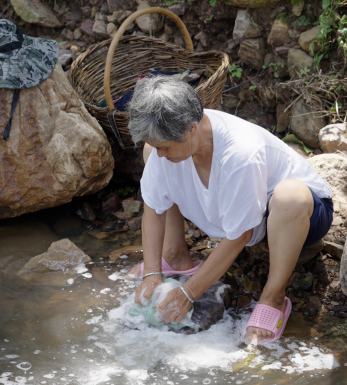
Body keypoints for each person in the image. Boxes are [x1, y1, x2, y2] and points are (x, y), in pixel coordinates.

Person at [127, 76, 333, 344]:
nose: (162, 154)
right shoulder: (178, 141)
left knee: (289, 196)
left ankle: (274, 296)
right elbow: (153, 208)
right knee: (151, 155)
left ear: (190, 129)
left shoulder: (240, 153)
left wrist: (189, 293)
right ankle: (175, 255)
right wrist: (154, 274)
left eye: (166, 147)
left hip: (299, 212)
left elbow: (241, 235)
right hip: (237, 208)